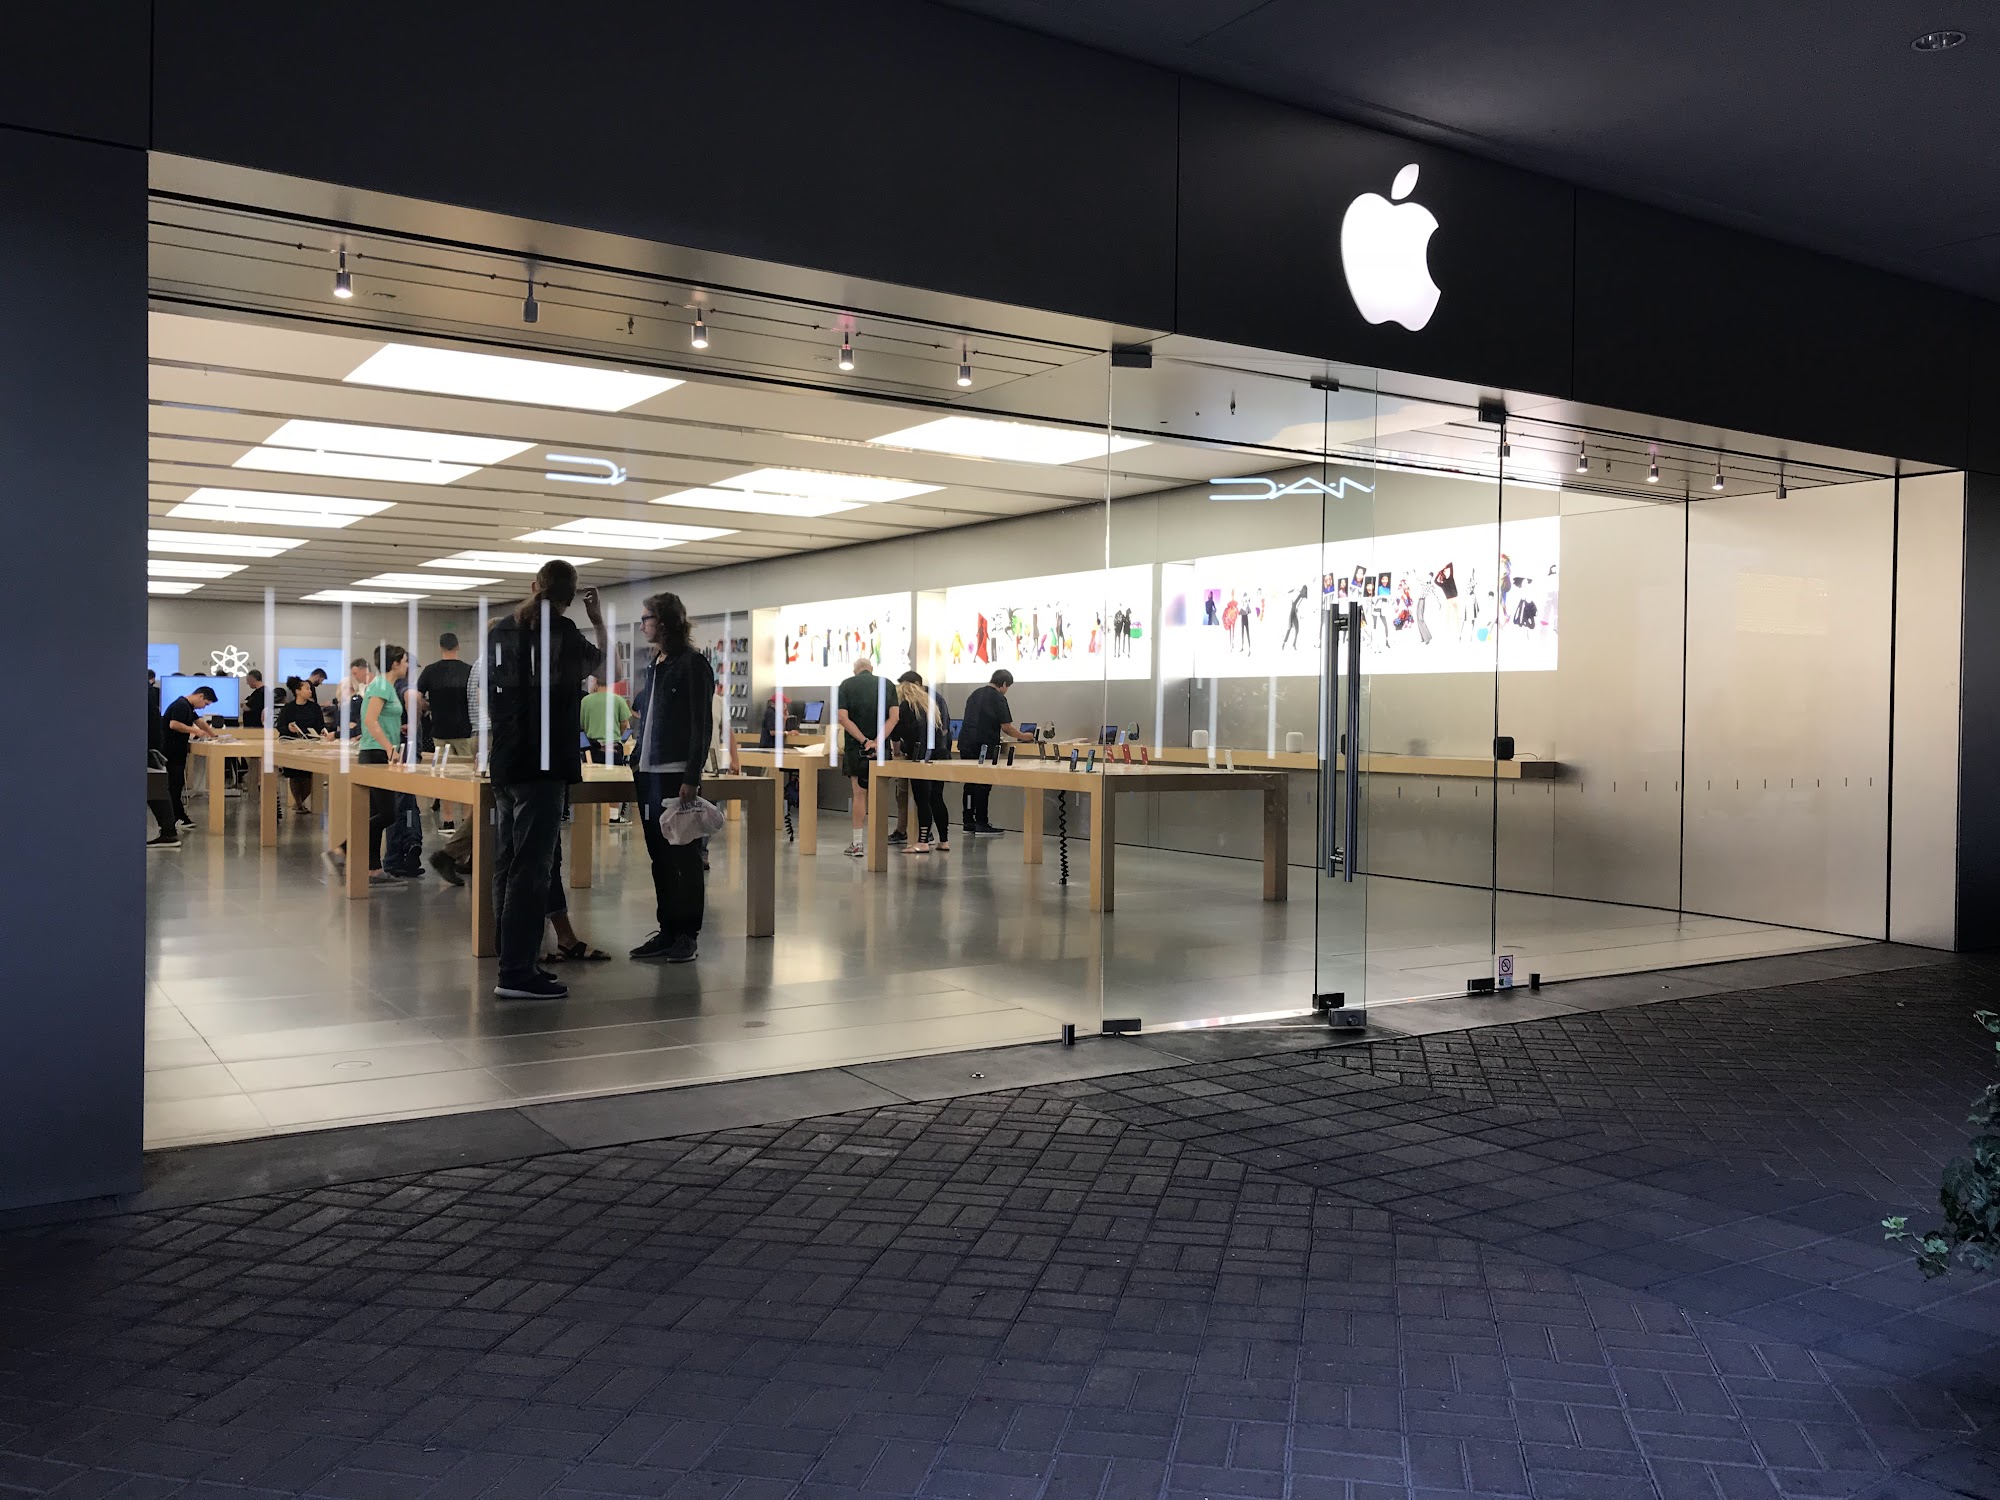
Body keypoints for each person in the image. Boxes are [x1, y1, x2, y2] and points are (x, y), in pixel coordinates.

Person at [487, 561, 606, 998]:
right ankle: (517, 972)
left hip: (506, 761)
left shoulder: (502, 629)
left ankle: (509, 955)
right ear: (570, 597)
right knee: (531, 869)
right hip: (544, 764)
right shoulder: (565, 633)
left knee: (508, 862)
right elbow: (604, 670)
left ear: (534, 585)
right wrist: (598, 622)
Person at [627, 591, 714, 963]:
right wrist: (636, 760)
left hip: (675, 774)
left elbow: (701, 725)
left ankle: (687, 934)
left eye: (646, 618)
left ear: (663, 621)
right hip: (647, 774)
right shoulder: (655, 664)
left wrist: (691, 776)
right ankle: (667, 930)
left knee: (684, 856)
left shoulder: (692, 664)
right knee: (658, 855)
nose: (642, 625)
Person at [347, 645, 412, 887]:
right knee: (387, 814)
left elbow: (379, 720)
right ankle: (344, 847)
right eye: (405, 661)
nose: (407, 665)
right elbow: (370, 720)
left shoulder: (385, 686)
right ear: (395, 663)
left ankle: (373, 869)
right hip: (376, 754)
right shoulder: (382, 685)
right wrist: (389, 749)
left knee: (378, 812)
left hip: (378, 751)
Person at [957, 669, 1032, 835]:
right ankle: (981, 823)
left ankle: (968, 822)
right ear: (1004, 684)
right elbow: (1006, 727)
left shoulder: (975, 694)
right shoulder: (998, 698)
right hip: (983, 746)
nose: (1007, 690)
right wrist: (1025, 736)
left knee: (969, 783)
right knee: (983, 784)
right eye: (1008, 687)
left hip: (966, 744)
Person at [835, 657, 897, 858]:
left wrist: (864, 741)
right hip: (881, 750)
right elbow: (894, 717)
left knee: (859, 794)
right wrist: (877, 741)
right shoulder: (888, 684)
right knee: (880, 794)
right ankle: (879, 844)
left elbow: (842, 718)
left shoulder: (846, 685)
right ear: (871, 668)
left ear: (855, 670)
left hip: (856, 749)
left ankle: (858, 844)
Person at [415, 632, 474, 831]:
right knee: (467, 775)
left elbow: (417, 697)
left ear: (440, 647)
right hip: (465, 730)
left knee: (444, 774)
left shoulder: (430, 671)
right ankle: (466, 820)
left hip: (439, 730)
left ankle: (448, 820)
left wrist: (429, 707)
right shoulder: (468, 670)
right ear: (458, 647)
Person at [892, 674, 950, 853]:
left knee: (922, 799)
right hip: (939, 755)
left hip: (919, 756)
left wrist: (897, 751)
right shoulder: (931, 704)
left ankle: (922, 842)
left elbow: (896, 734)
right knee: (937, 797)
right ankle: (944, 840)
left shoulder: (905, 706)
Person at [160, 684, 218, 830]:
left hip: (177, 752)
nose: (204, 707)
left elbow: (200, 723)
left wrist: (214, 736)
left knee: (177, 785)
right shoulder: (181, 705)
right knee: (174, 786)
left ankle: (178, 817)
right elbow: (174, 724)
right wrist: (195, 731)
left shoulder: (188, 707)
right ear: (200, 696)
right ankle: (176, 818)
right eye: (205, 704)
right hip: (172, 752)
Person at [580, 676, 634, 822]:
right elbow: (625, 724)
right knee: (613, 783)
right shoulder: (618, 700)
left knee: (590, 783)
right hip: (613, 748)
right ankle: (613, 816)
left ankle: (588, 819)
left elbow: (581, 727)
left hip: (592, 749)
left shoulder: (585, 701)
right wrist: (619, 738)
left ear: (595, 682)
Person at [275, 676, 325, 811]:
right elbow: (280, 726)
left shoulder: (314, 708)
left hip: (311, 746)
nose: (310, 691)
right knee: (294, 776)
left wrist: (322, 731)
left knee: (308, 776)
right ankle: (298, 803)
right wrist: (289, 728)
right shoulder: (288, 708)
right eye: (307, 689)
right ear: (298, 691)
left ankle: (300, 802)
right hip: (292, 746)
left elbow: (320, 725)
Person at [146, 672, 179, 848]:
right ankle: (168, 831)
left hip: (149, 746)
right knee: (155, 788)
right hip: (152, 745)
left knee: (155, 789)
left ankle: (168, 832)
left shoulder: (143, 690)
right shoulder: (148, 691)